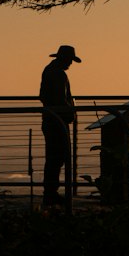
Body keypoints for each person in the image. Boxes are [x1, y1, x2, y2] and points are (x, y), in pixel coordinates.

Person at [39, 44, 80, 208]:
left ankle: (50, 193)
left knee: (54, 158)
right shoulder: (58, 74)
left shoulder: (49, 70)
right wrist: (69, 114)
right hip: (57, 121)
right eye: (69, 60)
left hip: (52, 119)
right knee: (57, 157)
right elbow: (59, 99)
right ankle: (50, 194)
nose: (70, 64)